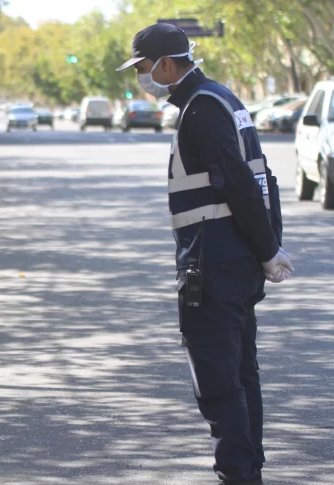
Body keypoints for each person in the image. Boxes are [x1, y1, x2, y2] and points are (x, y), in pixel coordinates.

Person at [117, 24, 294, 485]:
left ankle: (238, 474)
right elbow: (264, 179)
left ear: (166, 65)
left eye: (142, 68)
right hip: (234, 262)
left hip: (214, 267)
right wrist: (267, 247)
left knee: (219, 383)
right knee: (240, 374)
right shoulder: (224, 99)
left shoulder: (200, 110)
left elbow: (240, 182)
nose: (141, 77)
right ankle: (248, 470)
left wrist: (269, 248)